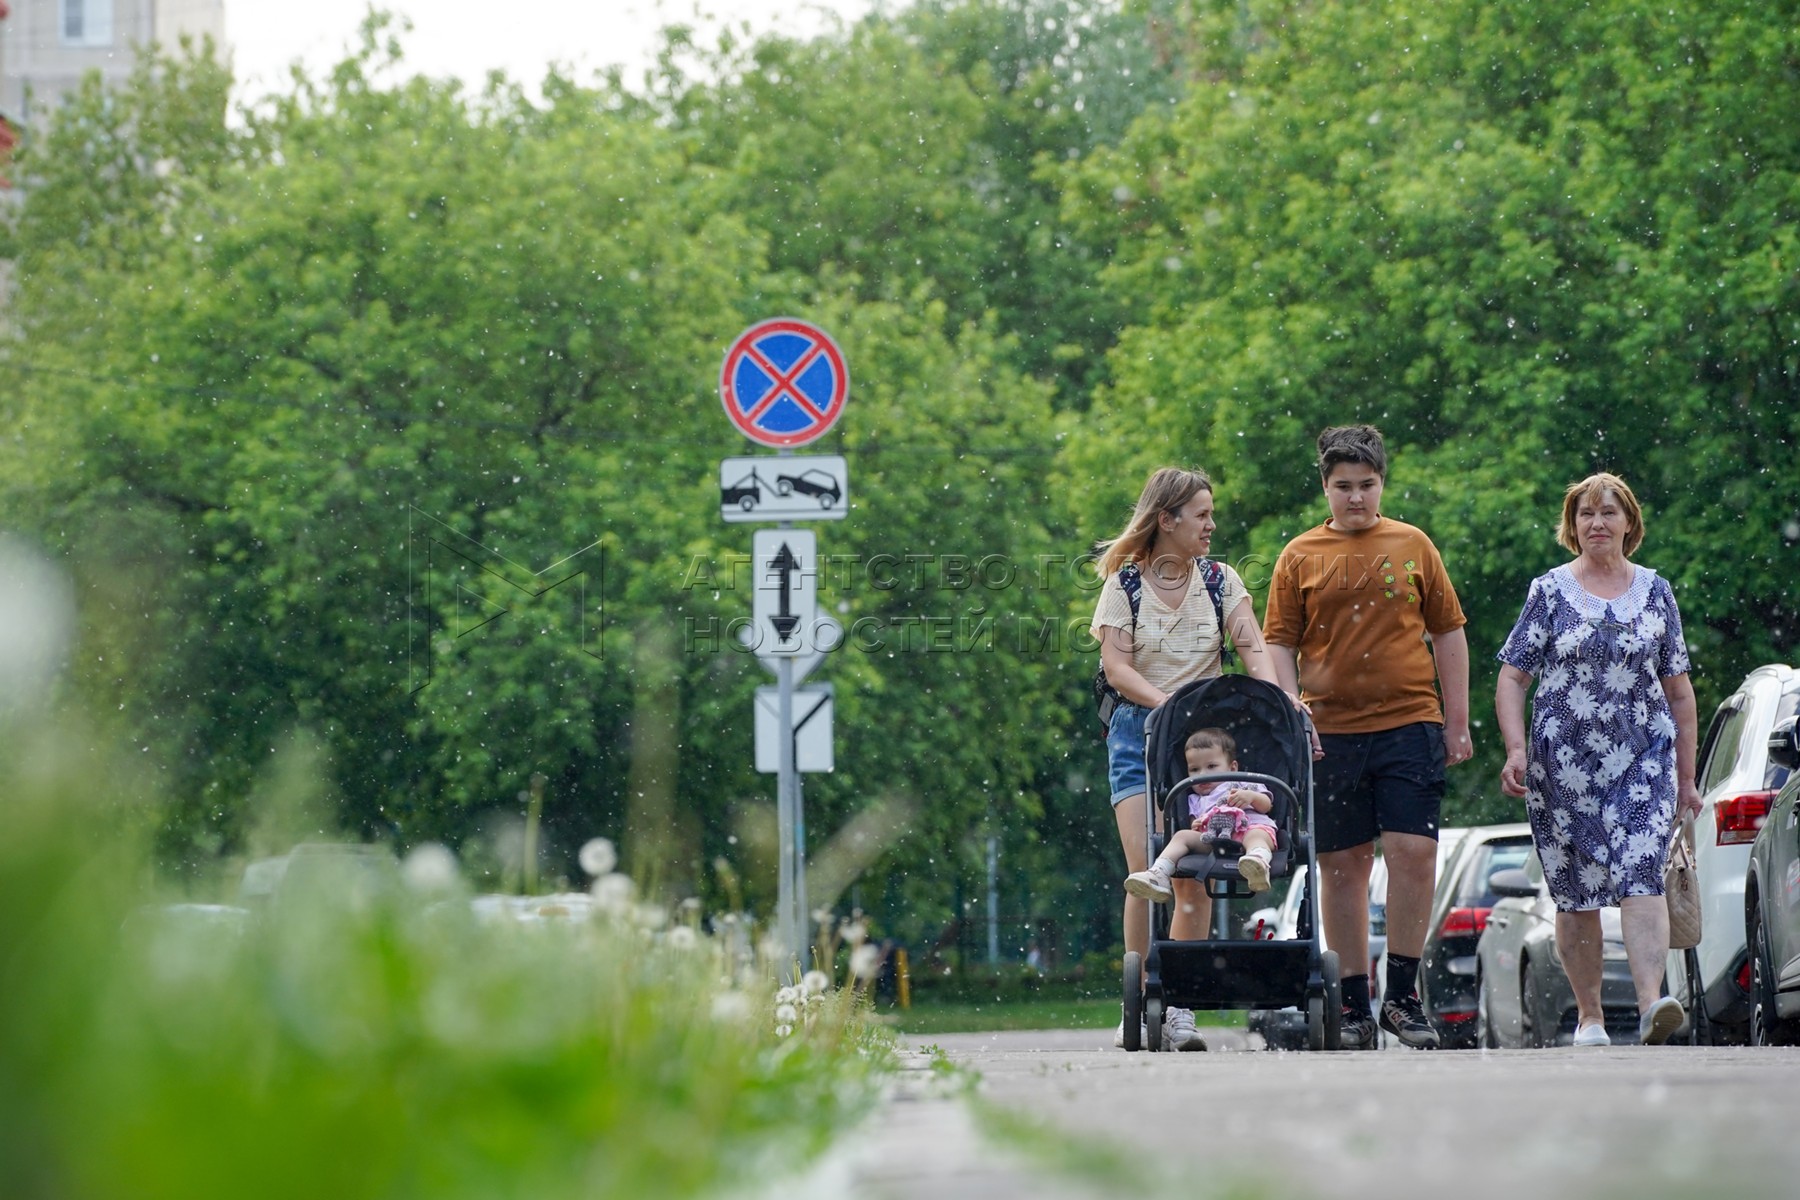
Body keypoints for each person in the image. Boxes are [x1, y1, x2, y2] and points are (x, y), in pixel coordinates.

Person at [1263, 425, 1473, 1050]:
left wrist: (1456, 721)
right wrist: (1290, 707)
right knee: (1343, 865)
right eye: (1343, 487)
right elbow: (1278, 642)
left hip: (1410, 722)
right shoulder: (1300, 555)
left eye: (1367, 485)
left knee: (1414, 852)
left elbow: (1449, 633)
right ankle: (1354, 1004)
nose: (1355, 498)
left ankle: (1403, 997)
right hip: (1329, 733)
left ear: (1382, 483)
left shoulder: (1412, 545)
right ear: (1325, 487)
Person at [1092, 465, 1299, 1051]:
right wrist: (1169, 706)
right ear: (1167, 520)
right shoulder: (1125, 587)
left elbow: (1253, 649)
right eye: (1202, 515)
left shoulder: (1220, 580)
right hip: (1139, 736)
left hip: (1202, 746)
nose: (1212, 525)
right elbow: (1117, 668)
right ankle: (1137, 1002)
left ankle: (1178, 1005)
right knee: (1146, 873)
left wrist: (1282, 701)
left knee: (1193, 881)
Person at [1495, 472, 1701, 1046]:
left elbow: (1680, 692)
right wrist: (1516, 748)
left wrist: (1686, 778)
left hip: (1643, 759)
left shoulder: (1657, 592)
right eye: (1586, 514)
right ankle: (1590, 1016)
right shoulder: (1549, 592)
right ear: (1573, 526)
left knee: (1641, 872)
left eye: (1609, 513)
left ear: (1629, 523)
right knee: (1576, 889)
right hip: (1562, 766)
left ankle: (1649, 1003)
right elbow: (1513, 677)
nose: (1597, 524)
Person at [1126, 728, 1278, 898]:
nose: (1203, 775)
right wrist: (1195, 825)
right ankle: (1159, 873)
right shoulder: (1194, 799)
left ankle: (1257, 862)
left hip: (1250, 827)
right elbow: (1194, 824)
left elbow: (1266, 806)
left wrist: (1251, 797)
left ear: (1232, 767)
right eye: (1194, 770)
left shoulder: (1243, 782)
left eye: (1211, 766)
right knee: (1182, 836)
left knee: (1257, 835)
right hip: (1213, 840)